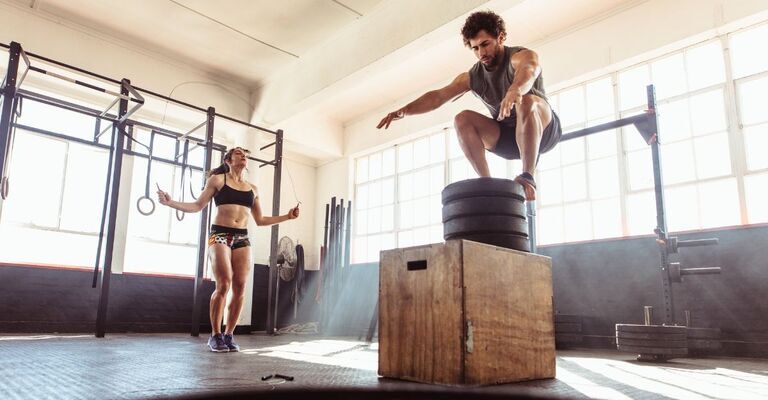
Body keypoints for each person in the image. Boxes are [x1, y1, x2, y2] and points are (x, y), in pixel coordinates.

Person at [377, 10, 561, 201]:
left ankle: (528, 177)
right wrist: (405, 111)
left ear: (501, 37)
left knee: (527, 101)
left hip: (543, 131)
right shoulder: (473, 76)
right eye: (475, 48)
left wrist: (516, 89)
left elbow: (529, 69)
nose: (481, 53)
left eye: (485, 44)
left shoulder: (520, 56)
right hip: (508, 139)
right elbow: (438, 97)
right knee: (462, 118)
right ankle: (487, 185)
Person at [157, 147, 300, 352]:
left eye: (246, 155)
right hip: (220, 234)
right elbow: (198, 206)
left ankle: (229, 334)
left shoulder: (253, 188)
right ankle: (215, 335)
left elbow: (260, 220)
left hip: (242, 237)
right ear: (228, 159)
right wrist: (170, 203)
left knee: (240, 288)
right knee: (223, 284)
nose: (244, 156)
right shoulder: (218, 180)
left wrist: (287, 216)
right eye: (239, 153)